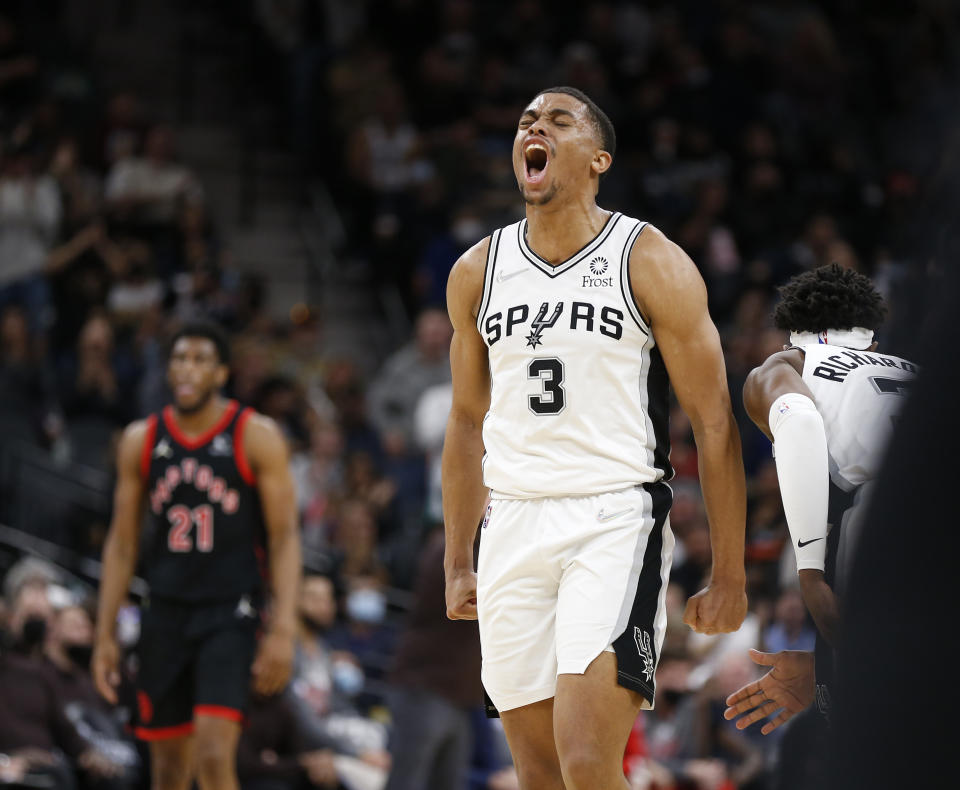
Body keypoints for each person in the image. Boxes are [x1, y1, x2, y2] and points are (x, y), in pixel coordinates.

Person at [442, 86, 748, 790]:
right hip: (512, 520)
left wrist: (729, 573)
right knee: (540, 774)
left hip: (613, 517)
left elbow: (713, 422)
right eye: (525, 122)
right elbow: (465, 422)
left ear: (598, 158)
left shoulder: (649, 259)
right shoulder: (476, 272)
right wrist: (461, 556)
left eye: (557, 120)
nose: (534, 129)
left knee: (587, 762)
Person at [91, 320, 302, 790]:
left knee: (212, 755)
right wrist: (105, 633)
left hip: (230, 611)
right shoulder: (140, 440)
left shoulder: (255, 435)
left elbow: (285, 537)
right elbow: (122, 544)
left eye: (201, 360)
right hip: (164, 610)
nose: (188, 369)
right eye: (180, 359)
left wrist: (284, 626)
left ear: (221, 373)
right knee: (166, 770)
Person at [724, 264, 917, 735]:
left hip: (883, 534)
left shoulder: (786, 366)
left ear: (792, 336)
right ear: (870, 340)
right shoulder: (918, 372)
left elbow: (800, 422)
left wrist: (809, 575)